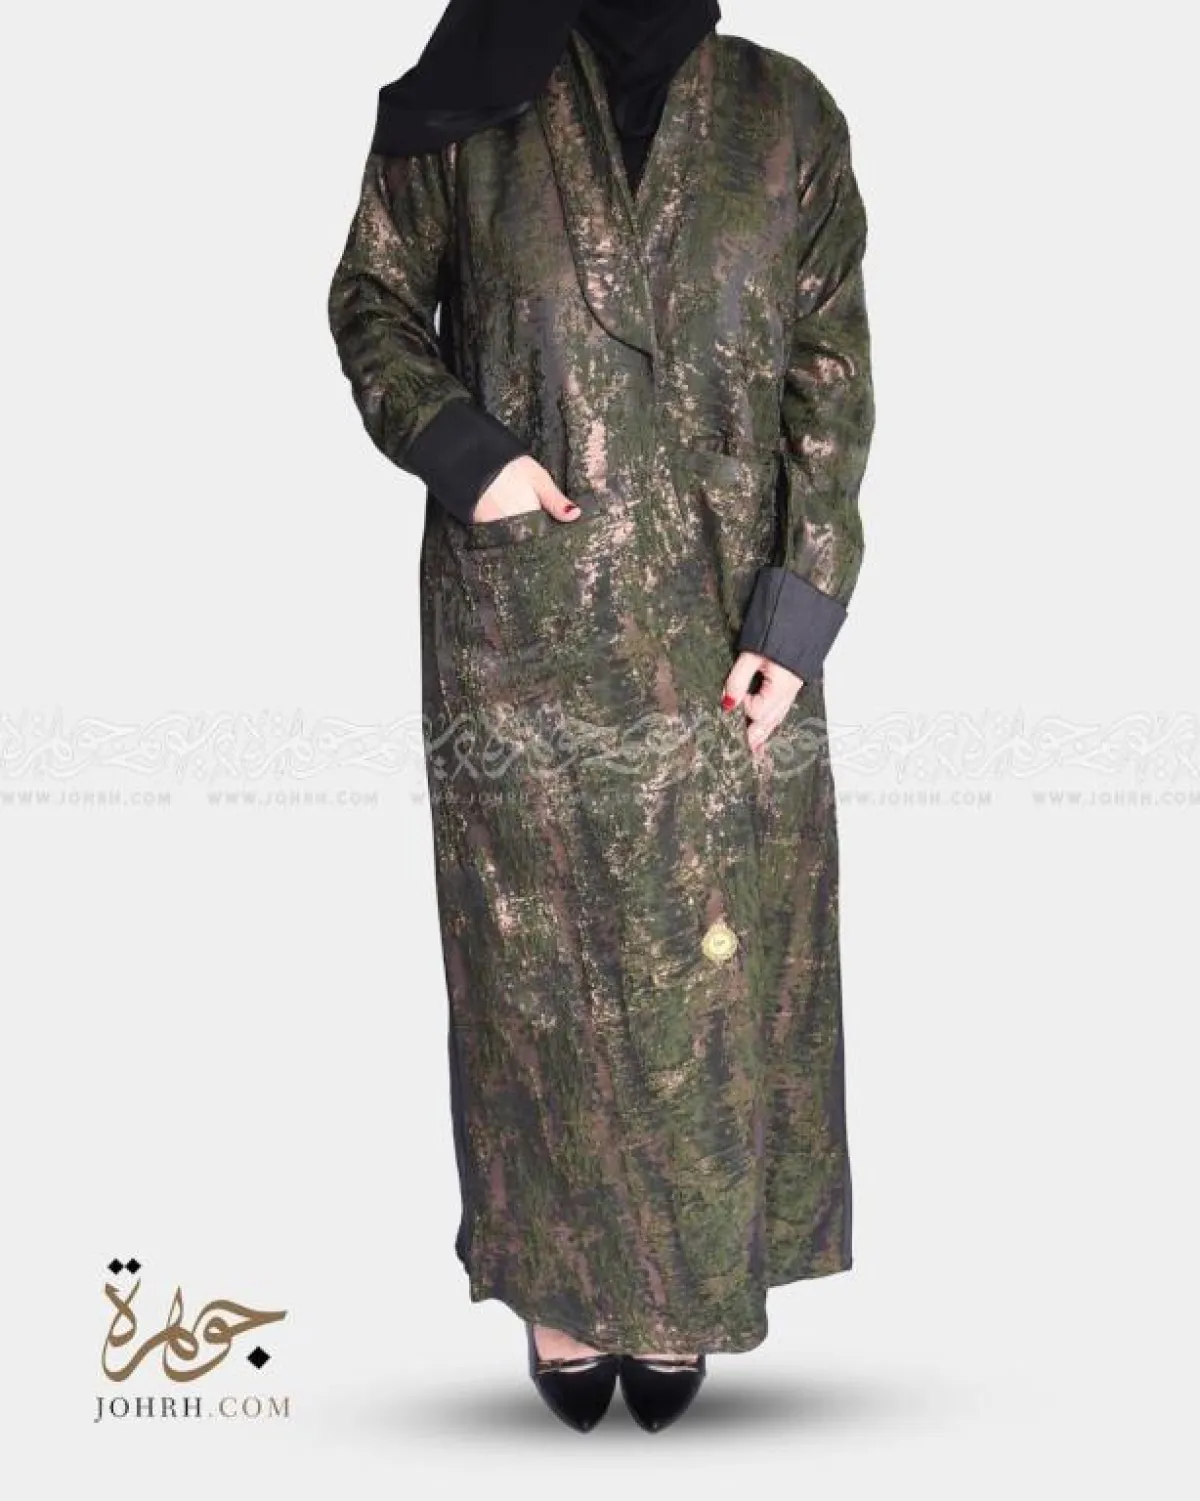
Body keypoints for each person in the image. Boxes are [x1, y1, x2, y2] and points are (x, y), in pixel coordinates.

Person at [327, 0, 875, 1433]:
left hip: (730, 629)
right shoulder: (476, 94)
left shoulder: (784, 113)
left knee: (712, 962)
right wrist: (471, 456)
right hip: (530, 624)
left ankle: (684, 1283)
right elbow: (373, 297)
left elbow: (830, 372)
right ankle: (559, 1291)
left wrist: (798, 614)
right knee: (541, 971)